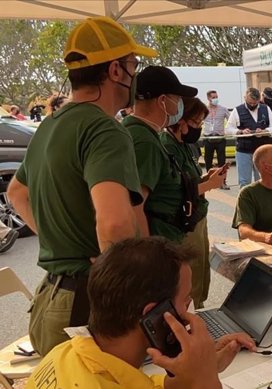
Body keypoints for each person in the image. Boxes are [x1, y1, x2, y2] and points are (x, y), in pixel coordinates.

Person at [6, 16, 156, 356]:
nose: (136, 74)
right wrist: (131, 292)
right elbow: (115, 223)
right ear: (116, 71)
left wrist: (61, 240)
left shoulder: (50, 125)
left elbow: (17, 192)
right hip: (87, 304)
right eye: (133, 65)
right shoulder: (105, 130)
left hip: (52, 297)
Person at [25, 237, 256, 389]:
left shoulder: (67, 352)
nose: (189, 311)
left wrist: (200, 368)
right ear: (155, 316)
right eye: (185, 302)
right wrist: (206, 382)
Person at [162, 97, 225, 308]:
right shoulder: (166, 145)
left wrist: (207, 179)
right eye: (196, 123)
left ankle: (199, 307)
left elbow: (190, 181)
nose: (199, 128)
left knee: (200, 269)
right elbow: (174, 192)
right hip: (183, 221)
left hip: (197, 216)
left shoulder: (186, 145)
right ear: (181, 122)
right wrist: (208, 185)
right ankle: (192, 313)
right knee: (189, 274)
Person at [123, 66, 198, 243]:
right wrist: (149, 256)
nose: (180, 104)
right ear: (163, 100)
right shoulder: (144, 141)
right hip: (158, 241)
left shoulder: (141, 132)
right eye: (177, 98)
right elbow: (135, 206)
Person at [226, 87, 272, 188]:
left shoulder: (265, 108)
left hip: (262, 151)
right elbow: (228, 129)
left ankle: (261, 203)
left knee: (261, 180)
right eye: (250, 103)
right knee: (244, 181)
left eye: (255, 103)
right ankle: (245, 203)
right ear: (245, 97)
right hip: (244, 151)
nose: (253, 105)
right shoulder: (237, 110)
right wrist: (240, 132)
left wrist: (266, 131)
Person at [203, 90, 231, 189]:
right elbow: (198, 121)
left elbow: (231, 121)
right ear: (208, 98)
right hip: (208, 138)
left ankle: (222, 182)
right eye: (213, 97)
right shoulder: (203, 109)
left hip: (220, 138)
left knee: (222, 161)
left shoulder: (223, 109)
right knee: (208, 160)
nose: (215, 99)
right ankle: (209, 180)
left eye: (216, 97)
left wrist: (229, 130)